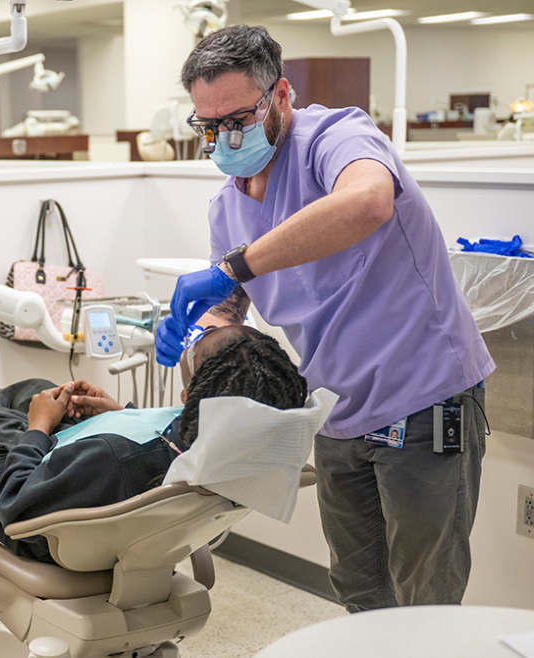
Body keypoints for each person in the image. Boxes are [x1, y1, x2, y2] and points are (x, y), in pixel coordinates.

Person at [156, 25, 493, 612]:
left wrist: (232, 268)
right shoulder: (228, 205)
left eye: (236, 120)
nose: (223, 138)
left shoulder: (334, 138)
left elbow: (367, 202)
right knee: (360, 594)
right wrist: (198, 329)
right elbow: (228, 304)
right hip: (337, 414)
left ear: (280, 97)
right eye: (207, 127)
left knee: (426, 602)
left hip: (423, 398)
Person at [0, 331, 308, 563]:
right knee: (39, 392)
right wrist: (119, 416)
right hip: (92, 482)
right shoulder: (236, 446)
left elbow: (13, 504)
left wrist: (36, 430)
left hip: (23, 512)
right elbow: (160, 442)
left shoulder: (113, 460)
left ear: (189, 395)